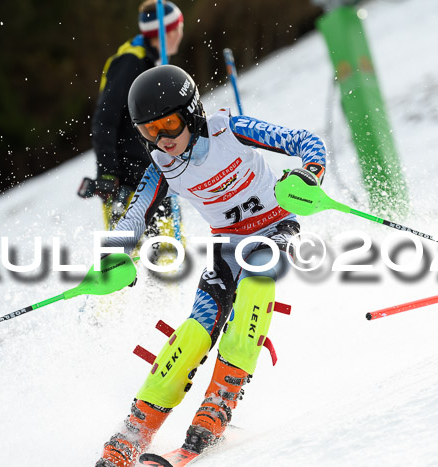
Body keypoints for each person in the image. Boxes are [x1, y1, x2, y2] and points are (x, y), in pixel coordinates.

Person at [95, 65, 327, 467]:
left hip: (274, 228)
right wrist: (116, 253)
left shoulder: (228, 130)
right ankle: (137, 427)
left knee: (257, 282)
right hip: (226, 246)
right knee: (196, 330)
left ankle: (220, 401)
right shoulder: (161, 166)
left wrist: (308, 173)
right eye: (150, 131)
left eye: (169, 124)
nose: (163, 140)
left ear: (193, 112)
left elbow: (305, 141)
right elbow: (134, 217)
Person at [79, 0, 185, 231]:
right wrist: (107, 172)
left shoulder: (154, 62)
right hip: (129, 181)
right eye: (180, 27)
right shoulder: (130, 61)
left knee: (168, 256)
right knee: (130, 259)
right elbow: (104, 120)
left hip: (157, 175)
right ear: (171, 31)